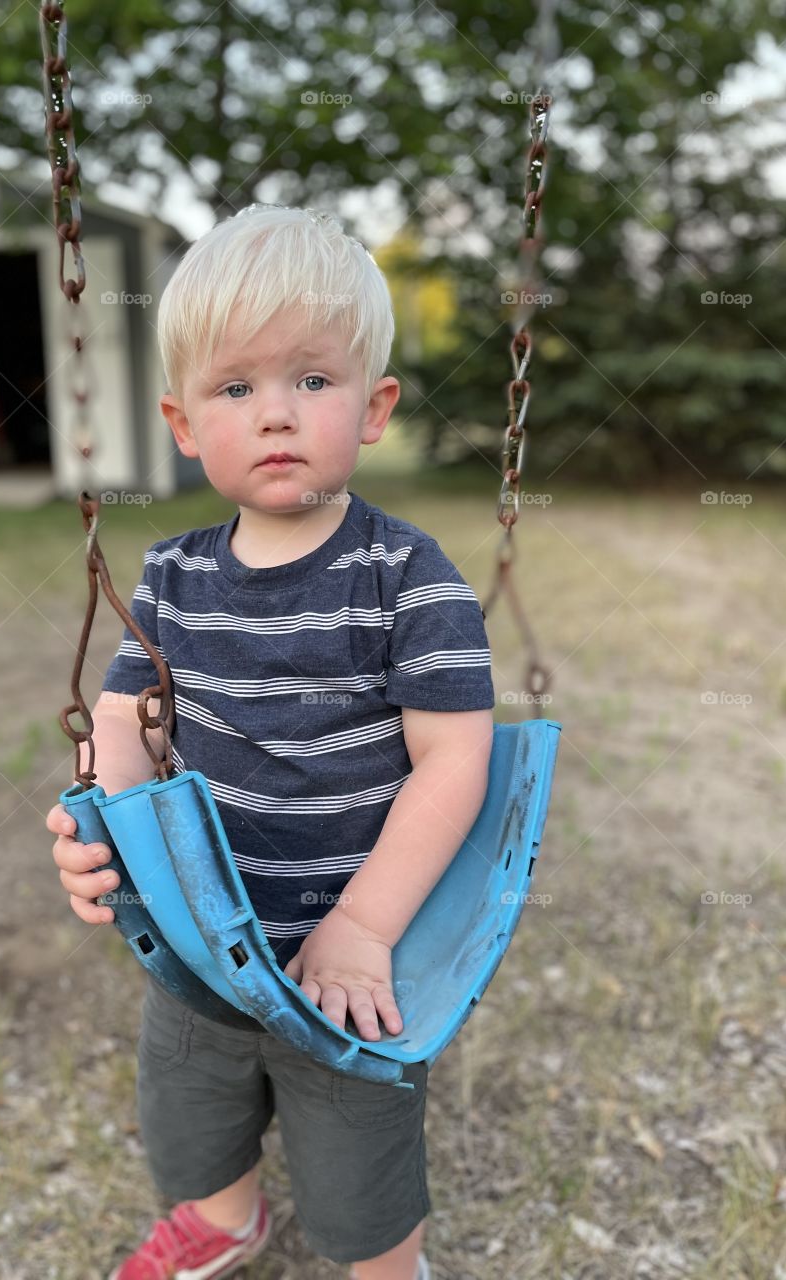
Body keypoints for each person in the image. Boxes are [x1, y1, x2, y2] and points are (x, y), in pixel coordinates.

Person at [46, 204, 495, 1280]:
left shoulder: (407, 577)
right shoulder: (172, 577)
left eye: (313, 378)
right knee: (192, 1103)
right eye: (237, 388)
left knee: (358, 1155)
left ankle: (388, 1266)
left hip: (354, 954)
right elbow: (125, 720)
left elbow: (455, 759)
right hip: (201, 938)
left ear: (374, 406)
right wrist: (100, 821)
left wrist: (361, 927)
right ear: (184, 423)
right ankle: (225, 1214)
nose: (277, 412)